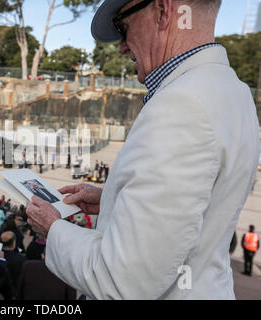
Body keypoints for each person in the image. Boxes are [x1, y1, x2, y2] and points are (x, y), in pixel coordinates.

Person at [25, 0, 259, 299]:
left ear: (162, 11)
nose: (122, 47)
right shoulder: (234, 90)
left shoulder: (181, 106)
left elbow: (121, 282)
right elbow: (200, 211)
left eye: (123, 27)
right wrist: (115, 199)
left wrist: (53, 229)